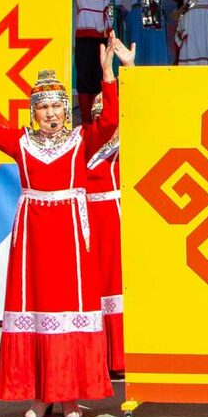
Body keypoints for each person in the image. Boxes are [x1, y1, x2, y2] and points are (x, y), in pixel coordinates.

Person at [0, 34, 131, 417]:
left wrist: (107, 75)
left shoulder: (82, 140)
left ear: (66, 111)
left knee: (69, 307)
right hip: (33, 238)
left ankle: (68, 395)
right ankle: (40, 395)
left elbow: (111, 119)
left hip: (70, 236)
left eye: (56, 107)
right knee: (37, 307)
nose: (50, 113)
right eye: (43, 107)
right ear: (34, 111)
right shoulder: (21, 141)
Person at [84, 91, 125, 377]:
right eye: (97, 117)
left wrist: (129, 69)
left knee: (118, 284)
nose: (102, 122)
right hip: (87, 222)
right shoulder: (83, 146)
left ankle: (121, 357)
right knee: (92, 287)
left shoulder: (127, 145)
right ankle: (95, 356)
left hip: (117, 219)